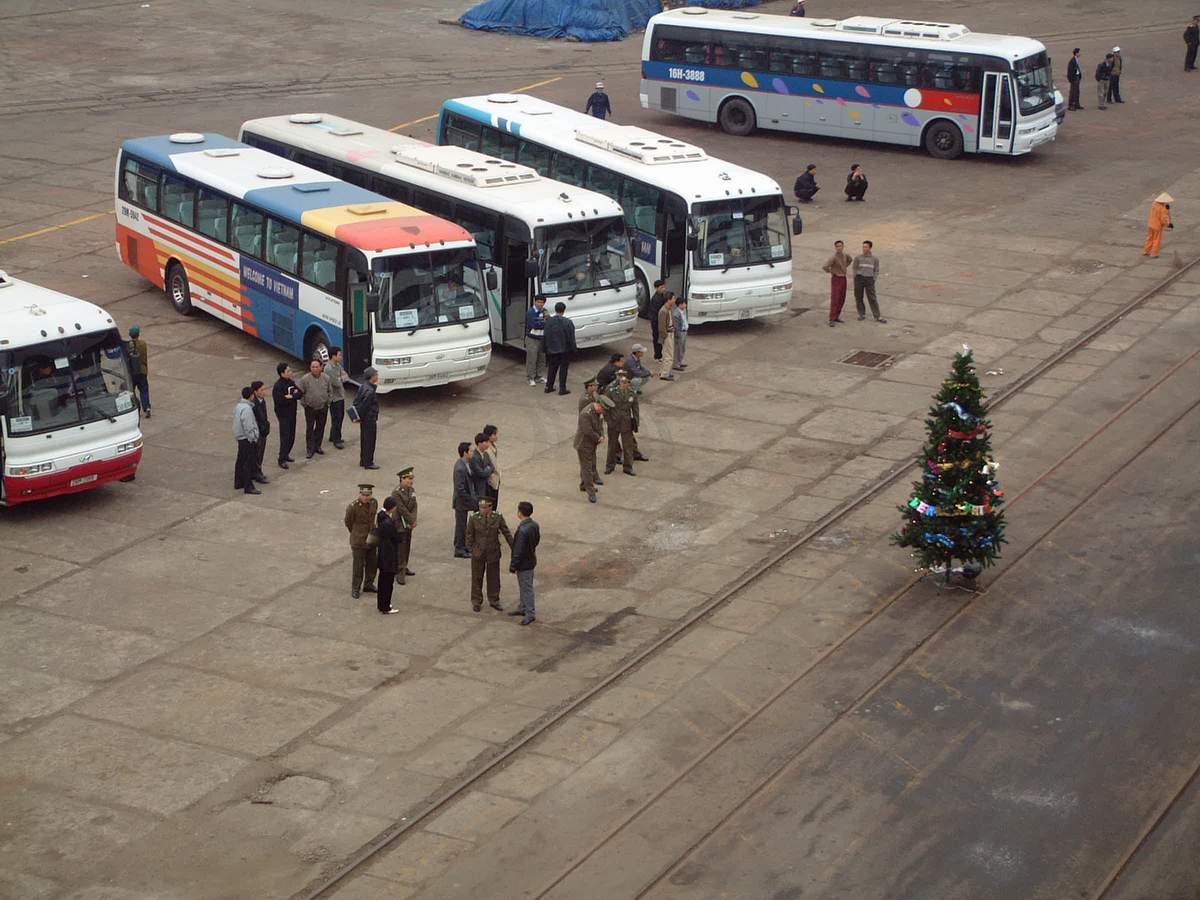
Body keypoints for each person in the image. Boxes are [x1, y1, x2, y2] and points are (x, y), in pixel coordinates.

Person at [465, 496, 513, 612]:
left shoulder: (497, 517)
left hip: (493, 551)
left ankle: (494, 599)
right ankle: (476, 601)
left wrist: (514, 547)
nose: (482, 509)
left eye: (484, 507)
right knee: (477, 578)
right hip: (478, 552)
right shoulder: (474, 518)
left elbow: (506, 532)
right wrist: (472, 549)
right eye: (480, 507)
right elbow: (469, 534)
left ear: (490, 507)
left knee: (494, 578)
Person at [604, 373, 645, 475]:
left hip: (626, 423)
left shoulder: (632, 394)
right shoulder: (612, 392)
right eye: (622, 382)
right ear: (619, 382)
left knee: (628, 447)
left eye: (626, 382)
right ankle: (610, 466)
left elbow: (635, 409)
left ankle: (628, 467)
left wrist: (636, 422)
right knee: (612, 446)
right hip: (614, 422)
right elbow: (605, 406)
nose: (624, 384)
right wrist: (608, 420)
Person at [508, 501, 540, 626]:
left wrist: (513, 565)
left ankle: (530, 613)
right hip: (530, 560)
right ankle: (523, 607)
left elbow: (518, 550)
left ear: (520, 513)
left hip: (523, 563)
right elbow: (537, 540)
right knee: (524, 586)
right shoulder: (534, 525)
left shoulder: (522, 530)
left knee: (526, 588)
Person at [345, 483, 379, 599]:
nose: (366, 497)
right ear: (360, 494)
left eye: (368, 495)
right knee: (358, 566)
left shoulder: (374, 502)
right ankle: (356, 588)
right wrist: (356, 532)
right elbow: (348, 522)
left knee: (372, 563)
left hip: (371, 538)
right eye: (364, 495)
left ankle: (369, 584)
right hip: (358, 540)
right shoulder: (353, 507)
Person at [574, 395, 609, 503]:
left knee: (589, 465)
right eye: (603, 409)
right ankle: (591, 492)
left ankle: (584, 485)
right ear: (598, 405)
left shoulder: (598, 412)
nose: (603, 412)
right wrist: (598, 438)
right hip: (583, 445)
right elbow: (587, 431)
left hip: (592, 444)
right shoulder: (586, 414)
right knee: (587, 469)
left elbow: (600, 425)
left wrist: (602, 435)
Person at [297, 358, 332, 459]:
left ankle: (317, 446)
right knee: (310, 428)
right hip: (310, 408)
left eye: (317, 367)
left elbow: (330, 391)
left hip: (323, 407)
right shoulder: (305, 379)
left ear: (321, 367)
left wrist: (327, 403)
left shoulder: (326, 378)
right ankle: (310, 449)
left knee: (320, 427)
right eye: (313, 367)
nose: (315, 369)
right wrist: (305, 404)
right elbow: (300, 393)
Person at [390, 466, 418, 582]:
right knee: (401, 548)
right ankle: (400, 572)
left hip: (408, 523)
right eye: (409, 479)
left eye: (412, 478)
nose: (411, 481)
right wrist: (411, 520)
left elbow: (414, 505)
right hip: (399, 523)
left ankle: (404, 566)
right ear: (402, 479)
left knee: (407, 546)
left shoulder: (411, 490)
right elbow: (401, 509)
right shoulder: (396, 492)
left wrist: (413, 520)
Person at [542, 301, 576, 395]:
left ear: (555, 309)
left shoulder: (549, 321)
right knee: (563, 369)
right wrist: (574, 349)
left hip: (552, 349)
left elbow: (545, 335)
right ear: (564, 310)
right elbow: (571, 337)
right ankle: (562, 388)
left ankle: (549, 386)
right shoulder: (568, 322)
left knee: (552, 368)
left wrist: (545, 348)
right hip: (565, 349)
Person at [375, 496, 401, 614]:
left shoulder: (381, 516)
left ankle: (381, 604)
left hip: (382, 554)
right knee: (387, 582)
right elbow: (396, 538)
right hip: (388, 556)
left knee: (382, 581)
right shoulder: (388, 523)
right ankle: (385, 606)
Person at [233, 386, 261, 495]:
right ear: (251, 396)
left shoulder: (239, 406)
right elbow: (248, 425)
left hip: (240, 437)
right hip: (246, 439)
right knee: (248, 463)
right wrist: (253, 437)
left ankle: (238, 481)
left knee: (240, 460)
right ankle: (248, 486)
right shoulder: (247, 409)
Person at [452, 441, 478, 558]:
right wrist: (471, 500)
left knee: (462, 525)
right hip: (461, 502)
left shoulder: (466, 463)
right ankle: (459, 549)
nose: (472, 453)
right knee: (461, 526)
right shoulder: (460, 468)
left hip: (465, 500)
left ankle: (462, 545)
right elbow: (460, 489)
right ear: (465, 453)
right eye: (471, 451)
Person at [272, 362, 299, 469]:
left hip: (292, 413)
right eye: (288, 371)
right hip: (283, 415)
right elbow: (280, 400)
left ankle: (286, 454)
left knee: (292, 435)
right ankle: (281, 459)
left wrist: (291, 396)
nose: (291, 372)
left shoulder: (291, 382)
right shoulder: (278, 386)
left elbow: (299, 393)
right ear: (282, 373)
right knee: (285, 436)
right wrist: (290, 397)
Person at [352, 367, 380, 469]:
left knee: (364, 440)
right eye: (376, 375)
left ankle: (363, 460)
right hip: (369, 419)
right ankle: (368, 462)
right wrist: (361, 416)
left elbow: (356, 402)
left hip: (365, 419)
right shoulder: (370, 391)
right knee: (370, 441)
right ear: (372, 377)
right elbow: (364, 406)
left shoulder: (363, 386)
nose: (377, 376)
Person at [852, 241, 887, 323]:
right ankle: (861, 314)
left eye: (866, 247)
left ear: (870, 248)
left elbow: (876, 270)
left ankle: (877, 316)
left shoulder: (874, 259)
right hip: (859, 278)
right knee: (858, 297)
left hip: (869, 279)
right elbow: (854, 268)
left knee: (872, 298)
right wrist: (855, 276)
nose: (864, 248)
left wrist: (874, 279)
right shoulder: (858, 258)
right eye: (863, 247)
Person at [325, 346, 351, 450]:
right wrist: (341, 378)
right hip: (334, 398)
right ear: (333, 356)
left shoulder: (337, 365)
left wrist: (341, 378)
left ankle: (333, 435)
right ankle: (337, 440)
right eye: (339, 355)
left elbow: (346, 376)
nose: (341, 357)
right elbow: (336, 383)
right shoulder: (329, 368)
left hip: (340, 396)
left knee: (339, 417)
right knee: (337, 418)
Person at [821, 240, 852, 327]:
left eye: (840, 246)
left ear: (843, 246)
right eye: (837, 246)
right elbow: (825, 266)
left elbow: (850, 260)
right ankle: (832, 319)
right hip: (836, 278)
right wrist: (832, 271)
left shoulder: (845, 255)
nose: (839, 248)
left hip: (843, 278)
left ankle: (836, 316)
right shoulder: (833, 257)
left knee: (842, 298)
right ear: (835, 247)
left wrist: (845, 267)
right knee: (835, 298)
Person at [126, 325, 151, 418]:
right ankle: (147, 408)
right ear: (138, 334)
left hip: (132, 372)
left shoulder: (128, 346)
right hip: (142, 371)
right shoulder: (143, 344)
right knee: (144, 390)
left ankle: (135, 408)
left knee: (131, 391)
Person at [249, 380, 271, 484]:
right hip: (257, 433)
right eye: (261, 390)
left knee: (260, 453)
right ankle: (256, 473)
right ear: (255, 392)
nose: (264, 392)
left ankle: (257, 471)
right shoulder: (253, 404)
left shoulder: (262, 401)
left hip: (263, 431)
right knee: (257, 454)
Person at [525, 294, 547, 386]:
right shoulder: (530, 312)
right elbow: (534, 325)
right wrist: (544, 322)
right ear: (535, 302)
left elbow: (548, 322)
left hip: (541, 338)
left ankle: (539, 376)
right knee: (532, 359)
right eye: (538, 302)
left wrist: (543, 321)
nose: (540, 304)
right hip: (532, 339)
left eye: (542, 302)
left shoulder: (545, 311)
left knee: (542, 358)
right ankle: (530, 377)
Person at [1143, 193, 1174, 258]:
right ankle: (1154, 254)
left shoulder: (1154, 204)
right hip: (1157, 226)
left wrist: (1166, 209)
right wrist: (1168, 224)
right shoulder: (1163, 208)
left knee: (1150, 238)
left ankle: (1146, 251)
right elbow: (1163, 219)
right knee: (1157, 240)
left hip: (1151, 224)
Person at [469, 431, 495, 501]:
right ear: (479, 443)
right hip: (477, 488)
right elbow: (481, 473)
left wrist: (486, 470)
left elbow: (492, 467)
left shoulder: (486, 454)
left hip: (486, 487)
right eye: (486, 442)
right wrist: (487, 469)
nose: (488, 444)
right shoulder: (474, 457)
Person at [657, 293, 677, 380]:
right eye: (673, 298)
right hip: (667, 334)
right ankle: (665, 374)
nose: (674, 300)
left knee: (666, 354)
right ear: (668, 300)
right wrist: (666, 336)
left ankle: (663, 372)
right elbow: (661, 327)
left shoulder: (669, 309)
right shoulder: (663, 311)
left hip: (670, 333)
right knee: (669, 355)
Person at [647, 280, 668, 359]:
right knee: (657, 339)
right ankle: (657, 355)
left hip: (659, 321)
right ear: (656, 288)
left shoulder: (662, 296)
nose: (663, 289)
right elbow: (657, 313)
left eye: (664, 287)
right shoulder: (656, 299)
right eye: (661, 287)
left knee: (660, 339)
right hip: (656, 322)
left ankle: (659, 355)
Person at [482, 424, 501, 504]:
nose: (496, 436)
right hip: (490, 482)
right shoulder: (486, 450)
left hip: (495, 479)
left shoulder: (493, 446)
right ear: (489, 436)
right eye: (494, 434)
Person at [672, 297, 689, 371]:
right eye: (684, 303)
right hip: (680, 333)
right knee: (678, 349)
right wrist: (678, 335)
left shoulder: (684, 310)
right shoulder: (676, 314)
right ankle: (676, 364)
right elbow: (676, 326)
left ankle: (680, 362)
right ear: (680, 305)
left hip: (684, 331)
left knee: (682, 348)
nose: (685, 305)